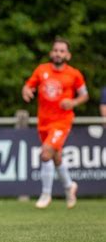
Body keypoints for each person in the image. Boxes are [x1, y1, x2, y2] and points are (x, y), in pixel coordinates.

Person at [22, 37, 89, 209]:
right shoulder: (41, 70)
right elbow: (29, 86)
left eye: (62, 51)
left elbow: (84, 95)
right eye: (56, 50)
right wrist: (27, 91)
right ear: (51, 52)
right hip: (44, 121)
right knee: (56, 157)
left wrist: (73, 103)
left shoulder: (74, 74)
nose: (58, 53)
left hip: (62, 121)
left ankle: (45, 194)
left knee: (45, 153)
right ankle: (69, 186)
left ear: (68, 55)